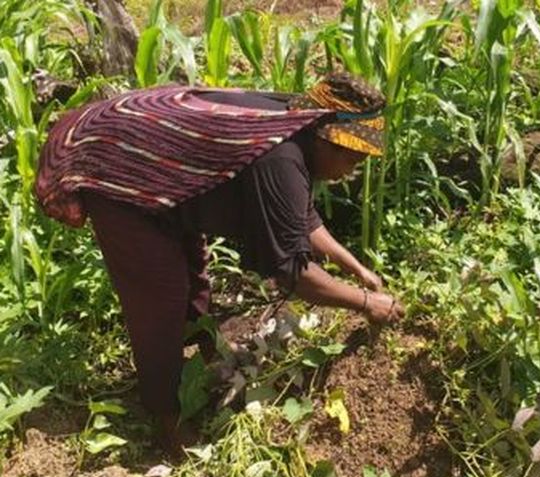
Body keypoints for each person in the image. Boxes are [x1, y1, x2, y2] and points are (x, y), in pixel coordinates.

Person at [34, 72, 405, 453]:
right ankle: (167, 418)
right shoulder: (280, 155)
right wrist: (365, 302)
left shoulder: (295, 133)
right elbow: (294, 273)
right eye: (353, 159)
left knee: (193, 273)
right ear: (328, 138)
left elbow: (299, 217)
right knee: (161, 298)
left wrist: (354, 267)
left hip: (169, 185)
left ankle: (203, 362)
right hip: (119, 172)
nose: (351, 172)